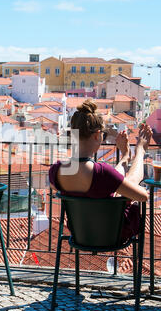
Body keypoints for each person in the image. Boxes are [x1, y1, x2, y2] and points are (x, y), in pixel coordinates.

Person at [49, 99, 152, 242]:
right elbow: (143, 196)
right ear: (97, 135)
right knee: (127, 192)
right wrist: (140, 148)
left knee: (115, 186)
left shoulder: (56, 170)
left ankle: (126, 157)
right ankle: (140, 151)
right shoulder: (102, 173)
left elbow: (62, 188)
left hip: (80, 235)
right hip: (111, 235)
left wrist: (123, 160)